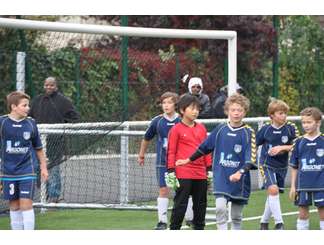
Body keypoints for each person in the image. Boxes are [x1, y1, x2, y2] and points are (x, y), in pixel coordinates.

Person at [176, 93, 257, 230]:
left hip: (240, 180)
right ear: (227, 111)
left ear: (245, 112)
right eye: (233, 110)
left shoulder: (248, 132)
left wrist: (240, 172)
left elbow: (251, 159)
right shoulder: (220, 129)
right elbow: (204, 147)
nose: (236, 113)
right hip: (221, 177)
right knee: (220, 209)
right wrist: (188, 160)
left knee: (236, 216)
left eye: (239, 110)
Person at [138, 92, 193, 230]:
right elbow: (146, 138)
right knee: (163, 190)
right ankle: (162, 222)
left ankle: (190, 218)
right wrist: (141, 155)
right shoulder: (157, 122)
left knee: (184, 190)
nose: (166, 105)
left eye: (169, 102)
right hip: (163, 163)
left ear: (175, 104)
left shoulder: (182, 120)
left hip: (180, 162)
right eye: (164, 103)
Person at [0, 91, 48, 230]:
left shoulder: (31, 123)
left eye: (28, 105)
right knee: (14, 206)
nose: (28, 108)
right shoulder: (2, 122)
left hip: (27, 170)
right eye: (24, 105)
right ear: (14, 107)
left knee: (26, 204)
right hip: (8, 172)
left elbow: (38, 148)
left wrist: (43, 167)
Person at [29, 77, 80, 203]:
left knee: (54, 170)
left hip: (55, 142)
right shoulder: (37, 100)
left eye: (51, 85)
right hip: (38, 142)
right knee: (38, 168)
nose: (48, 87)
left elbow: (75, 118)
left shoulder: (64, 101)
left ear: (56, 86)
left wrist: (62, 128)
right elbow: (29, 117)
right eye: (46, 85)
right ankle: (42, 195)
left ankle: (54, 197)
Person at [165, 94, 212, 230]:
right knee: (180, 204)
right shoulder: (175, 129)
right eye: (192, 108)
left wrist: (209, 169)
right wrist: (171, 170)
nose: (195, 111)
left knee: (200, 205)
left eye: (197, 109)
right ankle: (174, 229)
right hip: (183, 173)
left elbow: (206, 150)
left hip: (200, 174)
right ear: (182, 110)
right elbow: (171, 152)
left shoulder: (202, 128)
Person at [257, 99, 300, 230]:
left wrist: (282, 147)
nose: (284, 116)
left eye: (285, 113)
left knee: (273, 194)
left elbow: (298, 145)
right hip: (266, 164)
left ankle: (264, 222)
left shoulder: (291, 128)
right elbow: (253, 144)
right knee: (273, 190)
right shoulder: (265, 130)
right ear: (272, 115)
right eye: (280, 113)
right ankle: (279, 223)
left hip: (282, 166)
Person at [289, 107, 324, 230]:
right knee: (302, 214)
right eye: (304, 122)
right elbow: (294, 166)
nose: (306, 125)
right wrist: (293, 186)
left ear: (318, 122)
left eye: (309, 122)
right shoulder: (298, 142)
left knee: (323, 213)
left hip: (321, 184)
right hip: (303, 185)